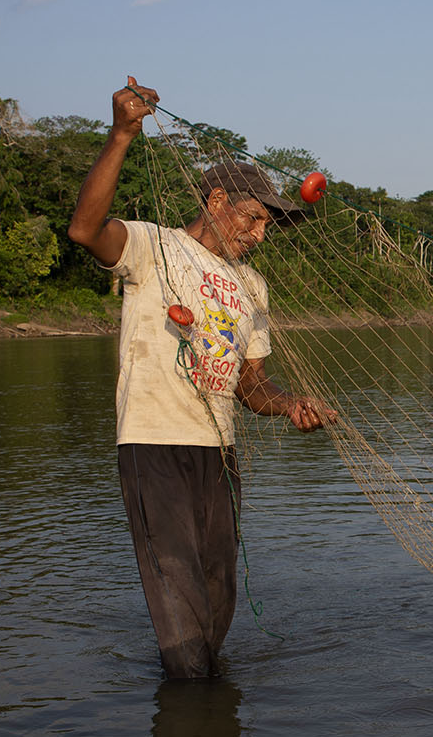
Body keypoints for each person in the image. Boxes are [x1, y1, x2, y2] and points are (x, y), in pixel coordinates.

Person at [68, 78, 337, 678]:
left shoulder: (253, 287)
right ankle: (192, 709)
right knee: (177, 591)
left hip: (218, 452)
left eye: (268, 225)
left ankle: (205, 710)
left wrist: (291, 404)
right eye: (252, 218)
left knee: (218, 600)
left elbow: (251, 386)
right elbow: (86, 230)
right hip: (153, 444)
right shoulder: (153, 247)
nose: (259, 235)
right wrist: (121, 135)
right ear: (215, 201)